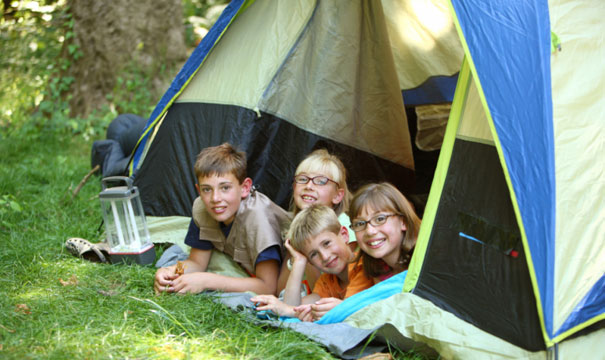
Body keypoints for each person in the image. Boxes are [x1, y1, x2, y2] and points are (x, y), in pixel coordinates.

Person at [154, 143, 291, 295]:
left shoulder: (258, 220)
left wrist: (206, 281)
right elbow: (197, 263)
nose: (215, 198)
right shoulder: (203, 208)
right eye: (207, 189)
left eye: (225, 188)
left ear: (245, 188)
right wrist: (171, 270)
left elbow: (268, 287)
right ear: (199, 190)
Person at [251, 205, 373, 322]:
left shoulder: (362, 266)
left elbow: (347, 312)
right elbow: (293, 306)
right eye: (313, 254)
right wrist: (299, 261)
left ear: (344, 235)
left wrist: (288, 311)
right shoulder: (327, 281)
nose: (325, 256)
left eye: (327, 243)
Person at [277, 149, 355, 293]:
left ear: (338, 196)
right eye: (302, 179)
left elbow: (323, 291)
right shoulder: (299, 229)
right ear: (294, 188)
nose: (309, 186)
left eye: (321, 181)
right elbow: (280, 289)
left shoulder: (343, 225)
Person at [348, 182, 421, 282]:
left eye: (379, 219)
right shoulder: (378, 268)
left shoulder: (425, 259)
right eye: (360, 224)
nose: (370, 231)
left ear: (403, 222)